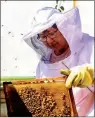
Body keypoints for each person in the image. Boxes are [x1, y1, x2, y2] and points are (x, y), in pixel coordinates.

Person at [23, 7, 94, 116]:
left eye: (51, 33)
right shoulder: (43, 64)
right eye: (43, 36)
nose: (48, 40)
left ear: (63, 27)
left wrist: (92, 74)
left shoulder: (89, 45)